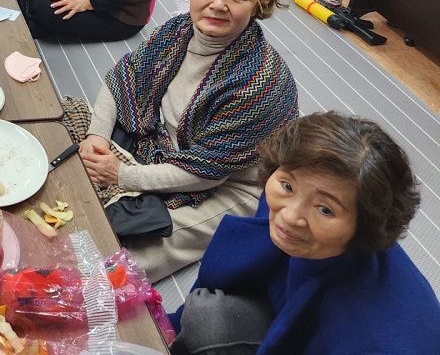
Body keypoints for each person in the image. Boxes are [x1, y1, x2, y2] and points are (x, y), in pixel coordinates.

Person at [64, 0, 299, 282]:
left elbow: (206, 171)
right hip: (166, 145)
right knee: (65, 136)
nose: (218, 3)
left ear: (259, 5)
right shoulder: (178, 30)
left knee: (116, 260)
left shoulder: (259, 82)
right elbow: (124, 78)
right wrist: (97, 135)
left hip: (227, 183)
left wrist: (122, 175)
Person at [171, 112, 440, 355]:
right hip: (293, 308)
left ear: (364, 225)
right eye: (287, 186)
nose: (290, 216)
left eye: (325, 209)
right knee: (207, 316)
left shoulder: (371, 339)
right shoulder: (292, 198)